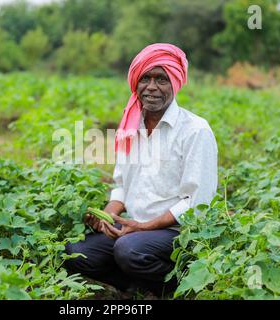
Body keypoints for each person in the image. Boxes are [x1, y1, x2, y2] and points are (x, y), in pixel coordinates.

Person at [64, 43, 218, 297]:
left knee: (128, 250)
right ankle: (137, 287)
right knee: (77, 252)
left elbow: (196, 202)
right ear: (135, 82)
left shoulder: (195, 130)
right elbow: (121, 185)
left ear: (175, 84)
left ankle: (181, 288)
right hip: (133, 231)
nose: (152, 87)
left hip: (175, 233)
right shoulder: (130, 127)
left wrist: (145, 228)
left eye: (161, 79)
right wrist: (106, 216)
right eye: (145, 78)